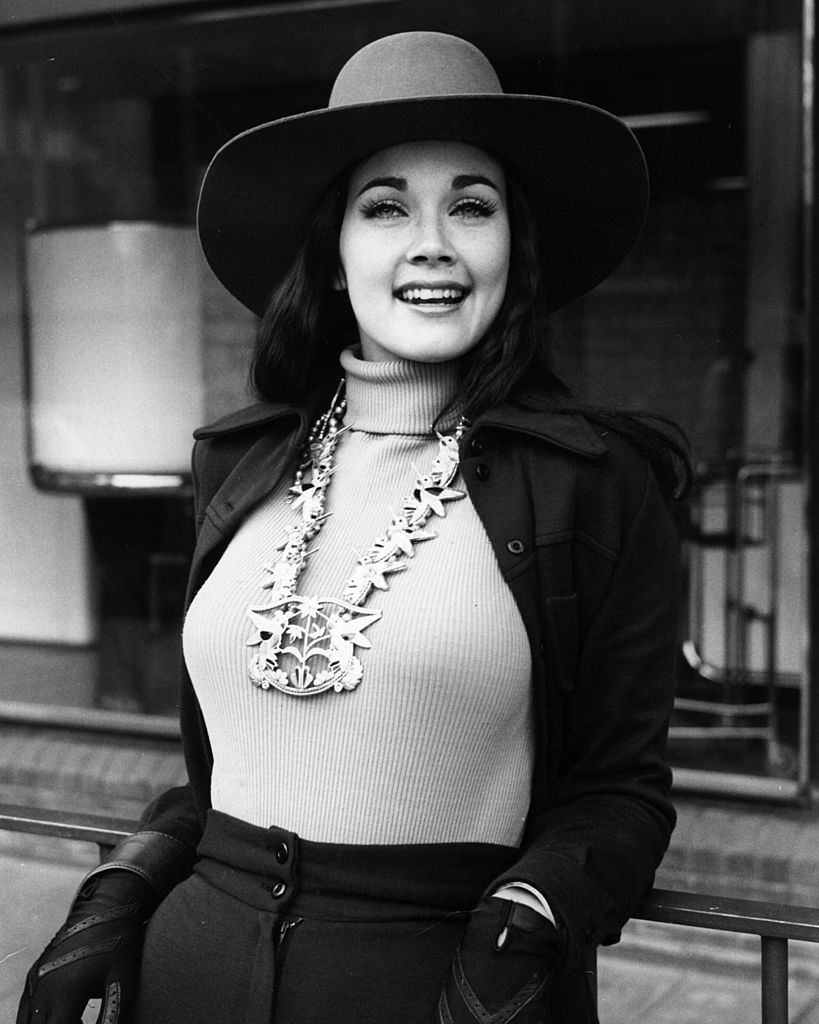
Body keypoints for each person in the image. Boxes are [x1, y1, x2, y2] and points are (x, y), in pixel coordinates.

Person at [17, 30, 690, 1024]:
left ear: (516, 246)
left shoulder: (595, 482)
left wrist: (531, 914)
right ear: (334, 256)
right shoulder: (236, 461)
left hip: (434, 990)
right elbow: (222, 768)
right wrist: (122, 887)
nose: (432, 242)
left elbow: (622, 791)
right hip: (186, 975)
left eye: (472, 205)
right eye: (384, 207)